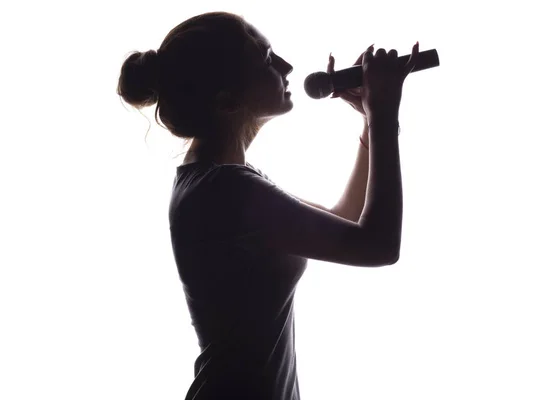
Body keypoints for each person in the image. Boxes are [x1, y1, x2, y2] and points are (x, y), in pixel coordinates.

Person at [117, 10, 419, 400]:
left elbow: (343, 218)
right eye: (266, 58)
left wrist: (369, 123)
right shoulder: (227, 190)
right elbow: (378, 245)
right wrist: (384, 118)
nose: (286, 66)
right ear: (226, 98)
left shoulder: (220, 181)